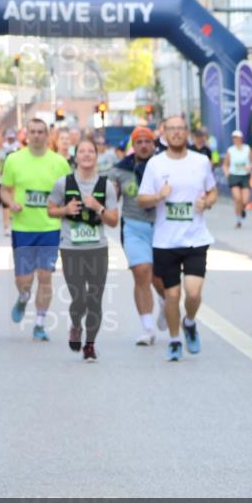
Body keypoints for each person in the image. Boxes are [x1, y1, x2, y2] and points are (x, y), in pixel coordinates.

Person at [137, 116, 218, 362]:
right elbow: (142, 200)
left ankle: (190, 322)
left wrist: (208, 202)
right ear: (164, 133)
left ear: (187, 133)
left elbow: (212, 190)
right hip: (166, 241)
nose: (176, 133)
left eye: (181, 129)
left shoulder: (201, 161)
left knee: (192, 294)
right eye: (171, 129)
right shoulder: (155, 164)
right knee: (172, 296)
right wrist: (158, 196)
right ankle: (174, 340)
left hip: (195, 238)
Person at [46, 138, 119, 362]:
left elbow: (114, 221)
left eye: (91, 152)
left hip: (97, 249)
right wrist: (66, 209)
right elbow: (50, 210)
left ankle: (90, 344)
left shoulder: (106, 185)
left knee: (95, 299)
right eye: (82, 152)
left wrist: (98, 207)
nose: (87, 155)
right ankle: (76, 326)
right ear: (75, 156)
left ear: (97, 156)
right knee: (79, 297)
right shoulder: (63, 183)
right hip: (71, 249)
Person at [0, 118, 72, 340]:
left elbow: (68, 192)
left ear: (48, 135)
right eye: (33, 132)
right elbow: (4, 190)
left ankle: (40, 323)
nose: (37, 135)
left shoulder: (59, 162)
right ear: (27, 135)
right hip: (23, 227)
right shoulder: (14, 160)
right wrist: (11, 203)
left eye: (41, 132)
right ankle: (23, 298)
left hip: (50, 227)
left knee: (45, 276)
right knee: (24, 281)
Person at [111, 126, 164, 346]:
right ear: (133, 146)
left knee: (159, 279)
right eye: (139, 142)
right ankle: (147, 328)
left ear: (154, 144)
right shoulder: (121, 170)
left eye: (147, 141)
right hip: (133, 227)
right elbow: (111, 196)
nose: (143, 145)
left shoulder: (164, 166)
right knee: (142, 272)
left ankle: (164, 300)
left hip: (162, 228)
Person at [224, 130, 252, 228]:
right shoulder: (230, 150)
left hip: (245, 176)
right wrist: (227, 174)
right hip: (234, 175)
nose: (236, 139)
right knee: (237, 198)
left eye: (237, 137)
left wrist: (250, 167)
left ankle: (242, 210)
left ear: (241, 138)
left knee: (245, 200)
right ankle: (238, 219)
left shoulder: (247, 149)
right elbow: (225, 164)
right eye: (234, 138)